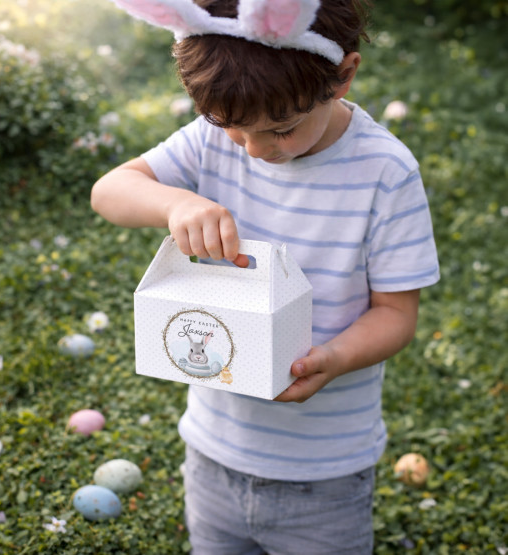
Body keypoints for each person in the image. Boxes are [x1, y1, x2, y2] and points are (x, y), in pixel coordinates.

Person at [91, 0, 440, 552]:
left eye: (282, 129)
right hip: (213, 452)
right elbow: (108, 192)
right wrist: (175, 203)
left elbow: (396, 314)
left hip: (323, 475)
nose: (256, 151)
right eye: (233, 129)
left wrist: (336, 359)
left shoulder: (385, 174)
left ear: (342, 76)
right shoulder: (210, 142)